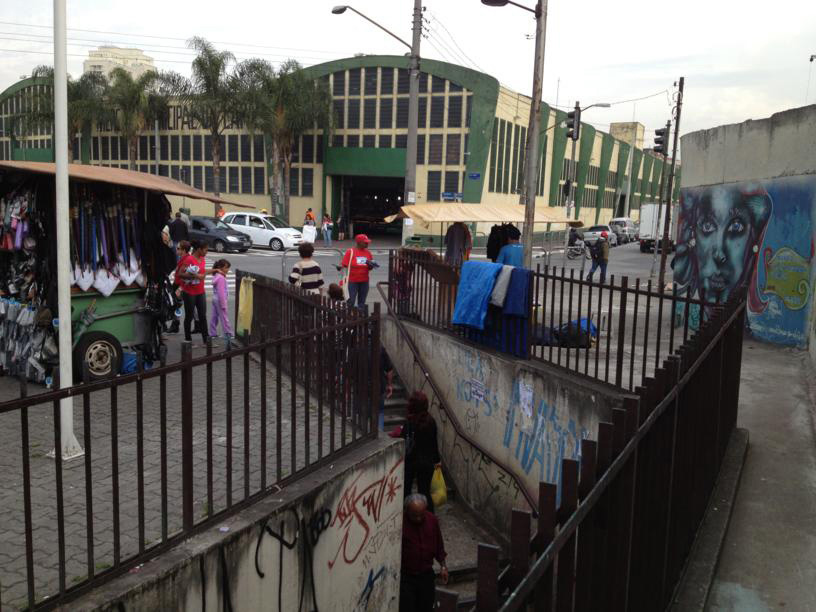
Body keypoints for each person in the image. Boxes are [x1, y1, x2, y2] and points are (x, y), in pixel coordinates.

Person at [400, 494, 448, 612]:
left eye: (421, 515)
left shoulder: (432, 520)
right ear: (407, 511)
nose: (418, 519)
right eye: (414, 516)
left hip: (426, 575)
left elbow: (439, 545)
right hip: (406, 577)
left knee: (426, 606)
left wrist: (443, 566)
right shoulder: (400, 523)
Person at [397, 392, 441, 513]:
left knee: (406, 490)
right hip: (426, 462)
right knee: (425, 492)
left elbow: (403, 440)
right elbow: (434, 444)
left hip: (410, 461)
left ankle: (407, 515)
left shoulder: (409, 422)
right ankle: (428, 517)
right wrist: (437, 461)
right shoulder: (431, 421)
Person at [177, 240, 211, 345]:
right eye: (205, 250)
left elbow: (203, 272)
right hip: (189, 292)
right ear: (199, 249)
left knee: (202, 316)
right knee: (189, 316)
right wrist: (195, 276)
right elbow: (180, 274)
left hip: (200, 291)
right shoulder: (189, 259)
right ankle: (188, 339)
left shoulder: (203, 259)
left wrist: (207, 273)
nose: (207, 252)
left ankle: (206, 340)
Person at [340, 234, 374, 309]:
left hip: (364, 281)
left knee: (362, 302)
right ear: (359, 243)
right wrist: (340, 267)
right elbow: (344, 264)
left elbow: (370, 267)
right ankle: (349, 317)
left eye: (367, 242)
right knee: (351, 301)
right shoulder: (350, 252)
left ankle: (360, 317)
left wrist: (371, 265)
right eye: (365, 242)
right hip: (352, 281)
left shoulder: (368, 253)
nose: (367, 244)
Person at [209, 259, 233, 345]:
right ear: (220, 267)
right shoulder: (221, 278)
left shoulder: (216, 275)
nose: (227, 270)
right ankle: (228, 334)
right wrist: (224, 305)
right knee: (224, 318)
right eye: (226, 268)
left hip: (215, 299)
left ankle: (212, 333)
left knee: (214, 316)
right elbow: (221, 293)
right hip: (220, 300)